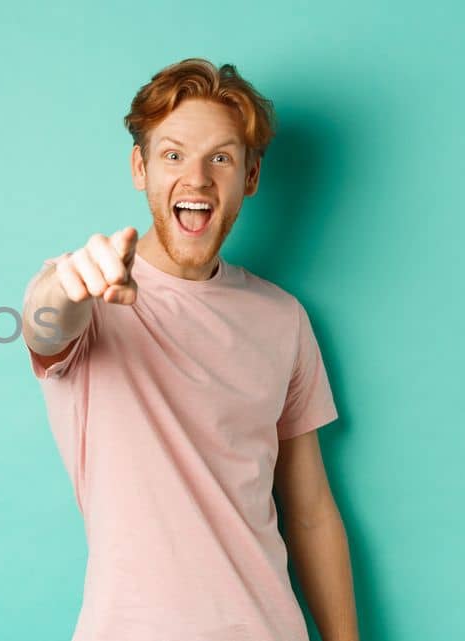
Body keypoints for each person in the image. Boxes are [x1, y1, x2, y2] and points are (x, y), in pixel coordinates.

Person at [20, 58, 359, 641]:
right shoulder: (87, 292)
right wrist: (67, 286)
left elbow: (310, 513)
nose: (197, 180)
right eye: (173, 155)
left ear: (250, 176)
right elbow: (43, 326)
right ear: (140, 167)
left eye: (220, 158)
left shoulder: (284, 319)